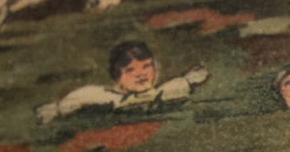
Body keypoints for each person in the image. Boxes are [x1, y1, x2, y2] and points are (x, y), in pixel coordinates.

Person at [35, 41, 210, 122]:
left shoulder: (169, 89)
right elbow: (69, 103)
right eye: (130, 70)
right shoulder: (102, 96)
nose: (141, 75)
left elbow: (191, 79)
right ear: (117, 77)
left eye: (146, 66)